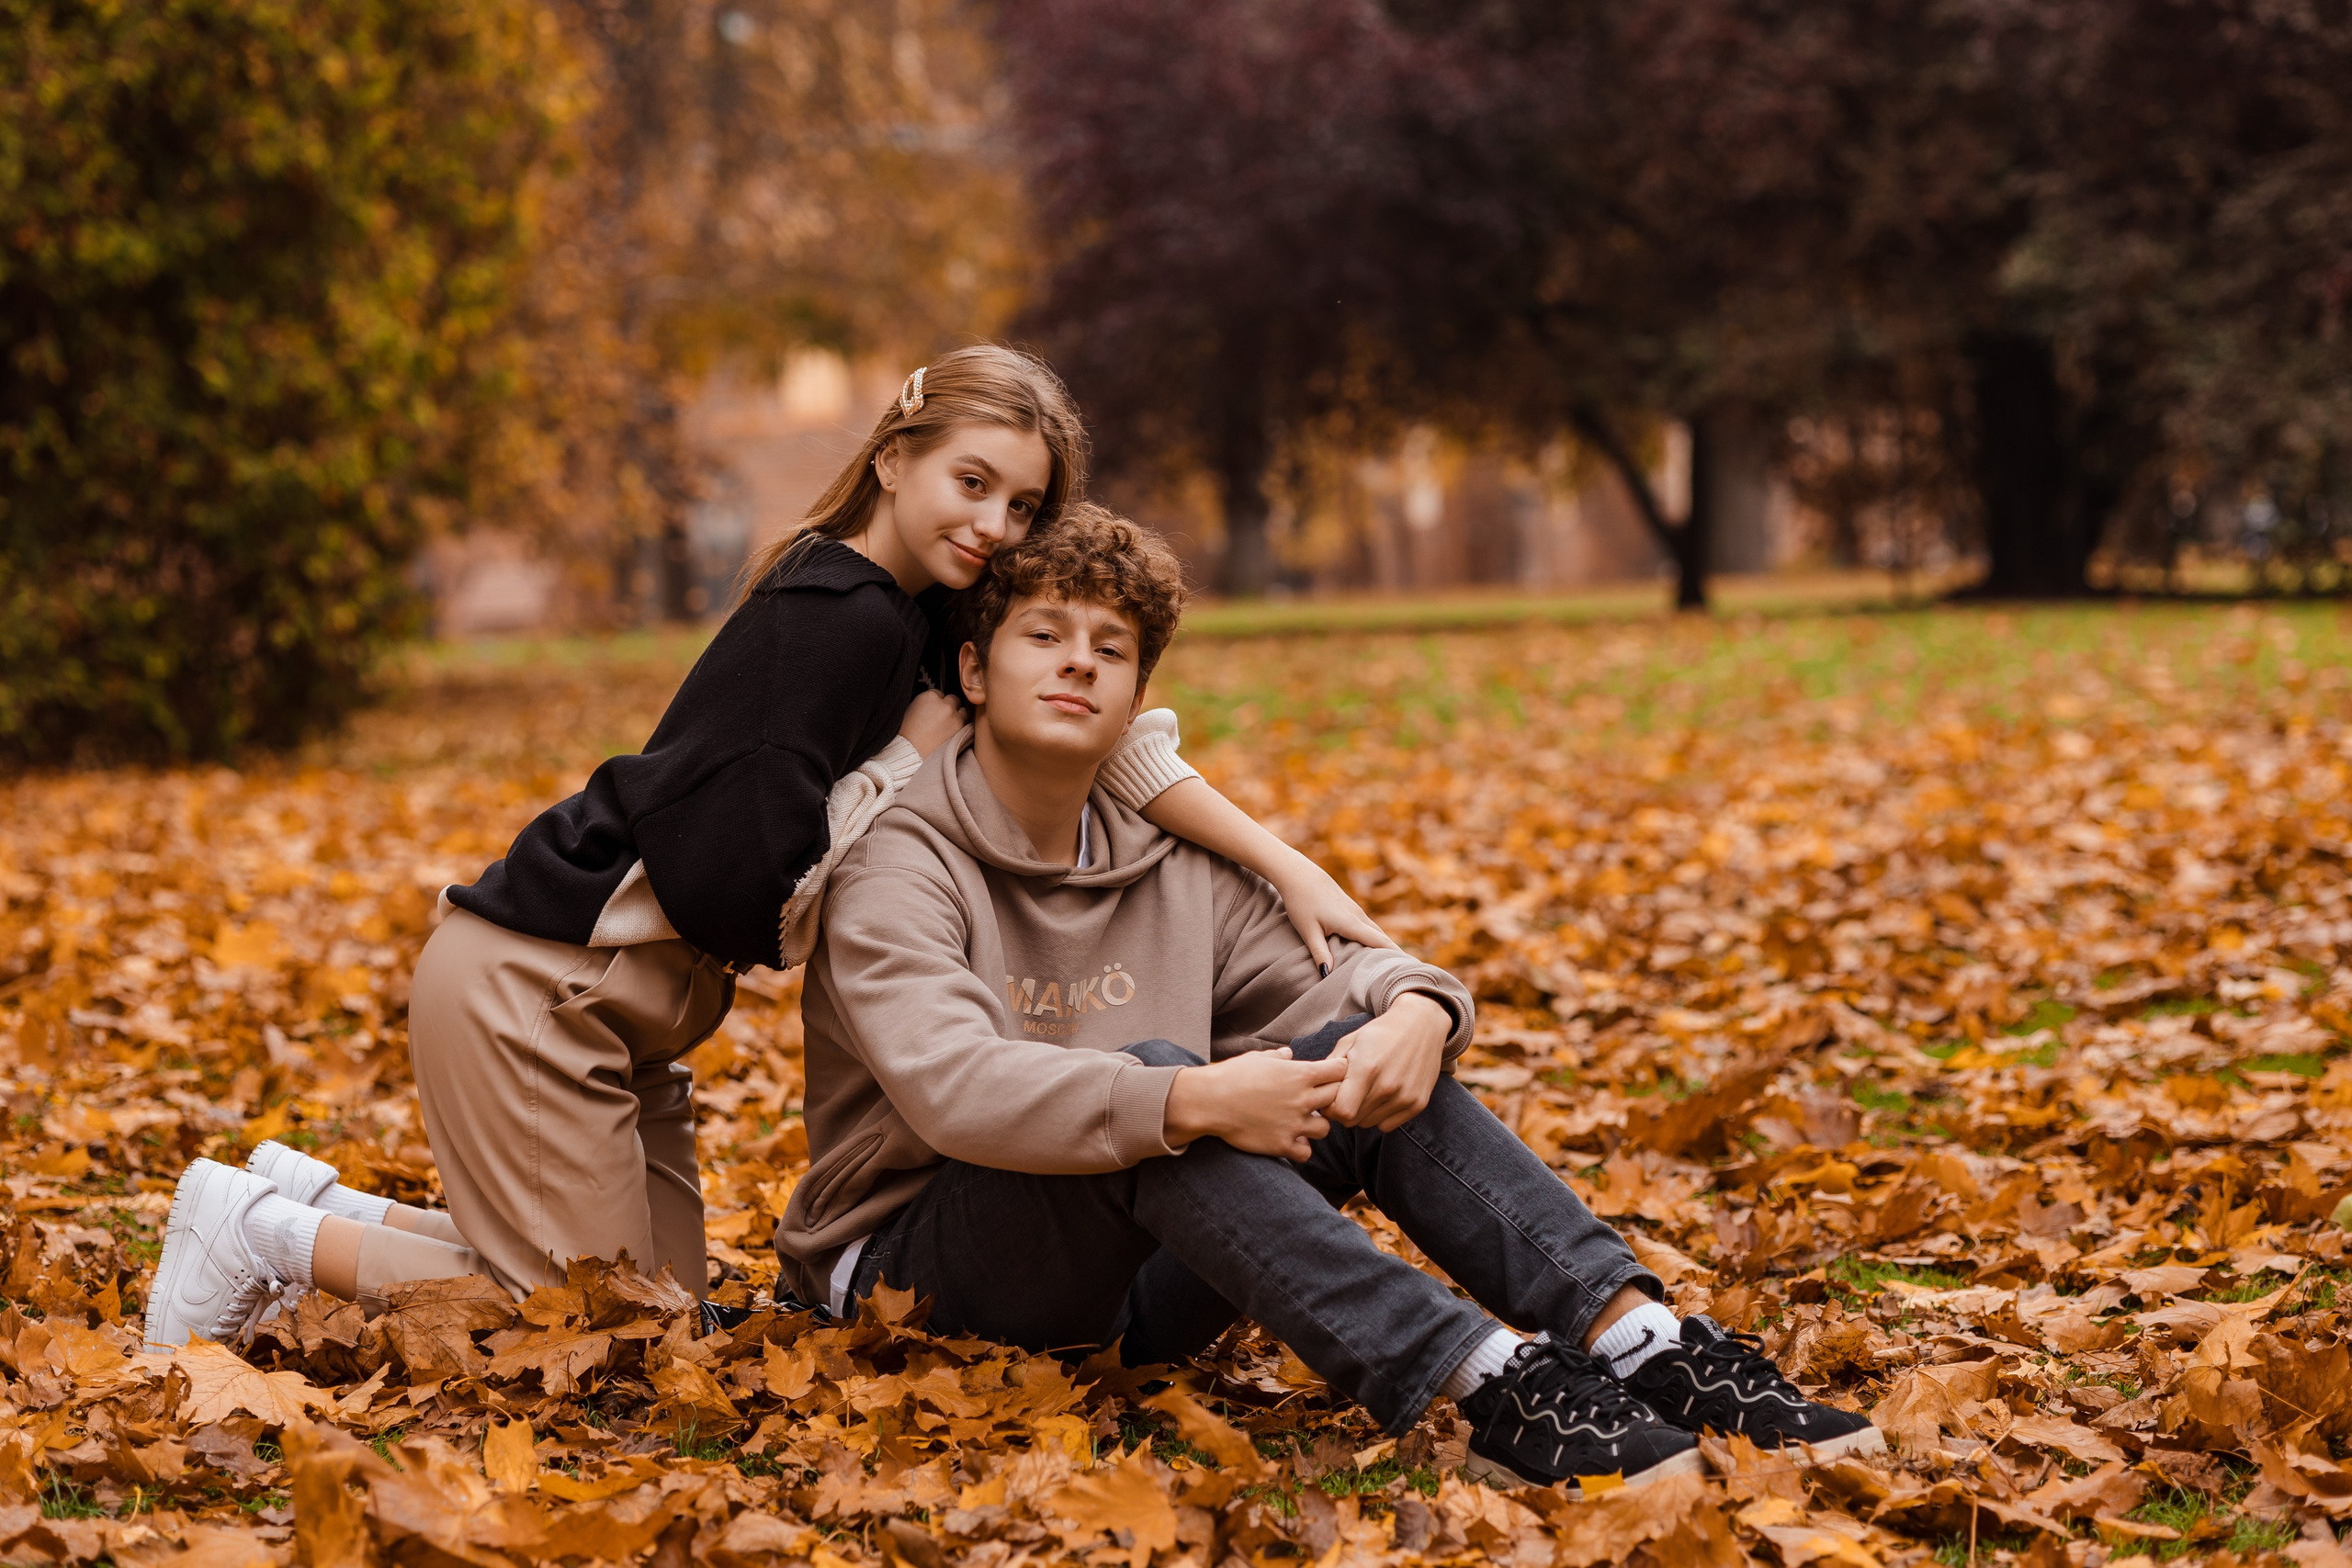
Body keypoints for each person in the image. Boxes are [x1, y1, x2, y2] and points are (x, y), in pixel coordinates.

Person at [142, 346, 1385, 1349]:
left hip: (629, 1017)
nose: (997, 524)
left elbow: (1122, 745)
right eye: (972, 481)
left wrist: (1283, 863)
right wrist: (902, 765)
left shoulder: (924, 615)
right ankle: (258, 1230)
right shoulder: (830, 615)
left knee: (665, 1324)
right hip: (540, 982)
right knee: (592, 1332)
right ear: (894, 459)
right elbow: (744, 893)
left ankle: (324, 1204)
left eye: (1023, 505)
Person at [776, 506, 1884, 1491]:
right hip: (915, 1282)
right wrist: (1197, 1100)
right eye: (1044, 638)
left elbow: (1333, 975)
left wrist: (1417, 1014)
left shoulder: (1170, 861)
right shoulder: (899, 861)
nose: (1078, 667)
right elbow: (950, 1088)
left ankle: (1643, 1341)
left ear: (1136, 702)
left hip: (1132, 1292)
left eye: (1109, 649)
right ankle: (1489, 1389)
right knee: (1174, 1088)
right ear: (973, 673)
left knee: (1340, 1055)